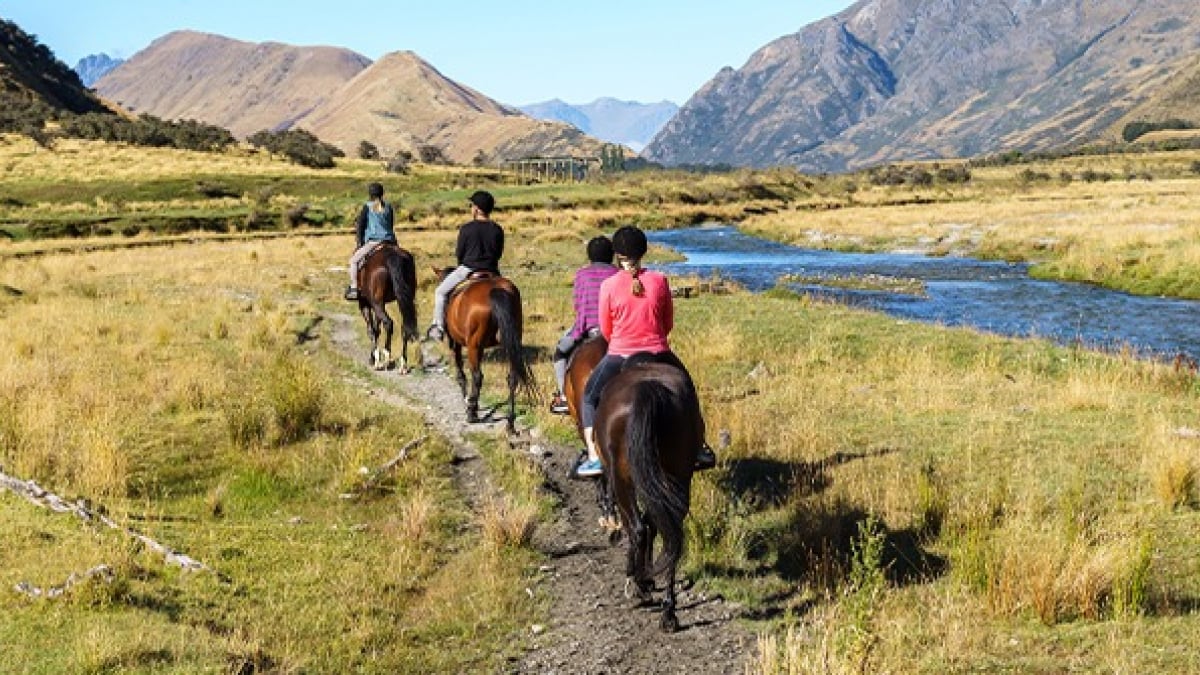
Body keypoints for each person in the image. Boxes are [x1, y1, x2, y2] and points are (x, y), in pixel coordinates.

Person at [576, 225, 716, 477]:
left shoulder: (608, 285)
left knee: (588, 397)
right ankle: (698, 447)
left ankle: (595, 456)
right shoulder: (660, 280)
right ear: (644, 252)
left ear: (617, 254)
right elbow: (668, 322)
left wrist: (621, 341)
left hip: (619, 354)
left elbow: (606, 329)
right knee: (688, 389)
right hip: (658, 352)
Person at [549, 236, 619, 414]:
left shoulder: (582, 274)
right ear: (612, 256)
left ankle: (564, 398)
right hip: (617, 331)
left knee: (559, 353)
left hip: (589, 328)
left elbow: (579, 306)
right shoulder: (619, 274)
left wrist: (579, 331)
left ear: (590, 256)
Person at [426, 190, 504, 340]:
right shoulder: (497, 229)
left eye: (471, 205)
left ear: (476, 208)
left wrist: (463, 262)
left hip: (469, 268)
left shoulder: (467, 228)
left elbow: (460, 253)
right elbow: (498, 253)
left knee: (440, 292)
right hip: (492, 271)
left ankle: (438, 327)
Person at [344, 182, 396, 301]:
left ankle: (354, 288)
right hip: (391, 241)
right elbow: (391, 224)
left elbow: (361, 225)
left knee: (353, 261)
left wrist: (360, 243)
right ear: (382, 193)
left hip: (375, 241)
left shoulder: (368, 206)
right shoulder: (388, 207)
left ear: (370, 194)